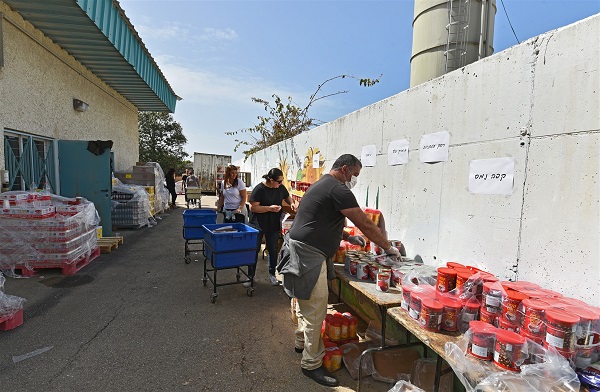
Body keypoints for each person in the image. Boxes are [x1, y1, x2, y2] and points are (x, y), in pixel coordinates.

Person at [280, 154, 400, 387]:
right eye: (354, 175)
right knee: (316, 309)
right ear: (344, 169)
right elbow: (366, 222)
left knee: (306, 303)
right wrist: (388, 247)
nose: (354, 179)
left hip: (304, 249)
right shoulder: (339, 189)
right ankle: (311, 364)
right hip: (308, 254)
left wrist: (346, 236)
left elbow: (318, 220)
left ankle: (301, 342)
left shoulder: (321, 184)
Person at [249, 168, 295, 287]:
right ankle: (250, 276)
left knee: (273, 250)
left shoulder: (280, 187)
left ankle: (272, 274)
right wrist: (269, 208)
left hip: (273, 224)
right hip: (258, 225)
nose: (280, 184)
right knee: (254, 250)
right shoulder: (259, 189)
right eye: (279, 182)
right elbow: (253, 208)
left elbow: (287, 197)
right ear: (271, 180)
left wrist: (292, 203)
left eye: (281, 181)